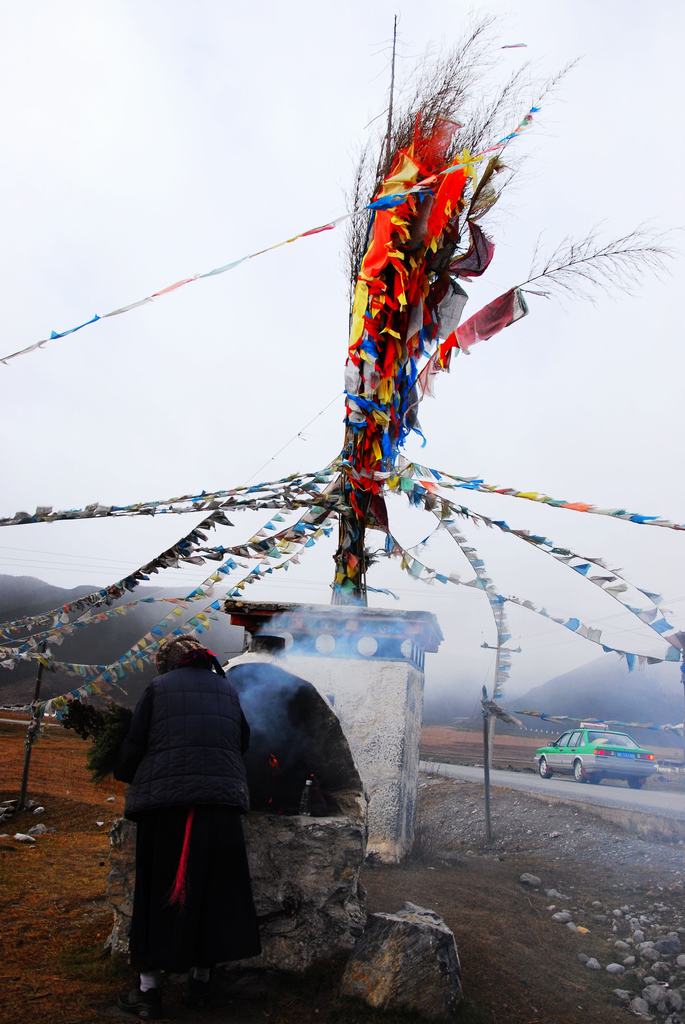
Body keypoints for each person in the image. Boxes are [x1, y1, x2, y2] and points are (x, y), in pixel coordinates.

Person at [113, 634, 261, 1020]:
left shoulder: (158, 689)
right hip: (221, 808)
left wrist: (123, 772)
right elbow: (242, 740)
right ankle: (201, 984)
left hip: (168, 810)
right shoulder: (226, 690)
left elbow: (135, 743)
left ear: (169, 664)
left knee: (157, 894)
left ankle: (148, 993)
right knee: (213, 894)